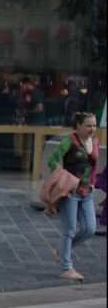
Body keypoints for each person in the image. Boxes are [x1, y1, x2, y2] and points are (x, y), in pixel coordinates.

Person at [45, 111, 99, 281]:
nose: (92, 129)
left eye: (94, 125)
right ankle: (67, 267)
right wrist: (65, 178)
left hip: (86, 192)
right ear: (78, 126)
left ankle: (60, 251)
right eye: (88, 125)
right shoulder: (69, 141)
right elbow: (52, 160)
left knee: (90, 228)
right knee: (69, 230)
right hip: (70, 191)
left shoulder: (93, 143)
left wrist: (92, 183)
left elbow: (94, 166)